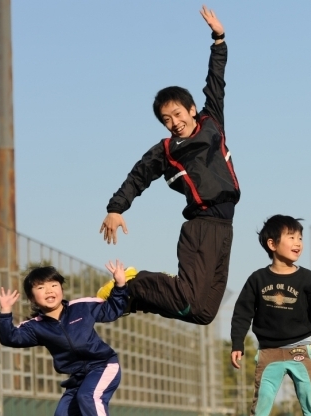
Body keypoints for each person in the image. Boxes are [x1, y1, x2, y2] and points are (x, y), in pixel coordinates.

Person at [97, 5, 238, 325]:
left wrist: (219, 39)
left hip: (226, 227)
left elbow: (216, 82)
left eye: (177, 114)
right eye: (166, 119)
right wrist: (116, 208)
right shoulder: (166, 150)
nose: (173, 123)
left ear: (191, 110)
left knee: (203, 313)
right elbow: (138, 176)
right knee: (187, 296)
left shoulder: (212, 121)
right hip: (201, 227)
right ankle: (132, 282)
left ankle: (133, 298)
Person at [0, 262, 130, 416]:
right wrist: (5, 312)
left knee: (89, 396)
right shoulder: (35, 327)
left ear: (61, 288)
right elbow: (10, 338)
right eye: (40, 287)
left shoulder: (82, 307)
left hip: (103, 365)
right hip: (78, 377)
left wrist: (120, 286)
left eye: (53, 284)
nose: (49, 290)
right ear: (32, 298)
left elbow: (112, 310)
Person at [230, 215, 311, 416]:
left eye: (300, 237)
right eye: (291, 237)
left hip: (302, 348)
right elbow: (242, 313)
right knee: (262, 398)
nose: (298, 242)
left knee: (309, 397)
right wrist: (237, 343)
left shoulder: (308, 279)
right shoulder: (257, 279)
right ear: (272, 244)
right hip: (269, 352)